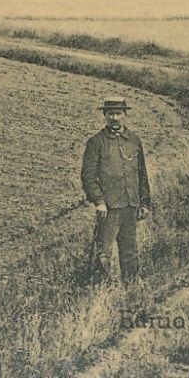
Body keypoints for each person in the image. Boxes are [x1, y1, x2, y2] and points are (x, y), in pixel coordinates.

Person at [81, 96, 153, 283]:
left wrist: (144, 202)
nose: (115, 117)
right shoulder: (96, 142)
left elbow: (142, 173)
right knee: (103, 253)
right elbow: (88, 176)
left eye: (118, 113)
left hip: (131, 205)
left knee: (130, 251)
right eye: (110, 113)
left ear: (125, 115)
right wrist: (99, 201)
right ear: (105, 115)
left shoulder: (134, 140)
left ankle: (131, 289)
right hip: (109, 208)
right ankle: (100, 294)